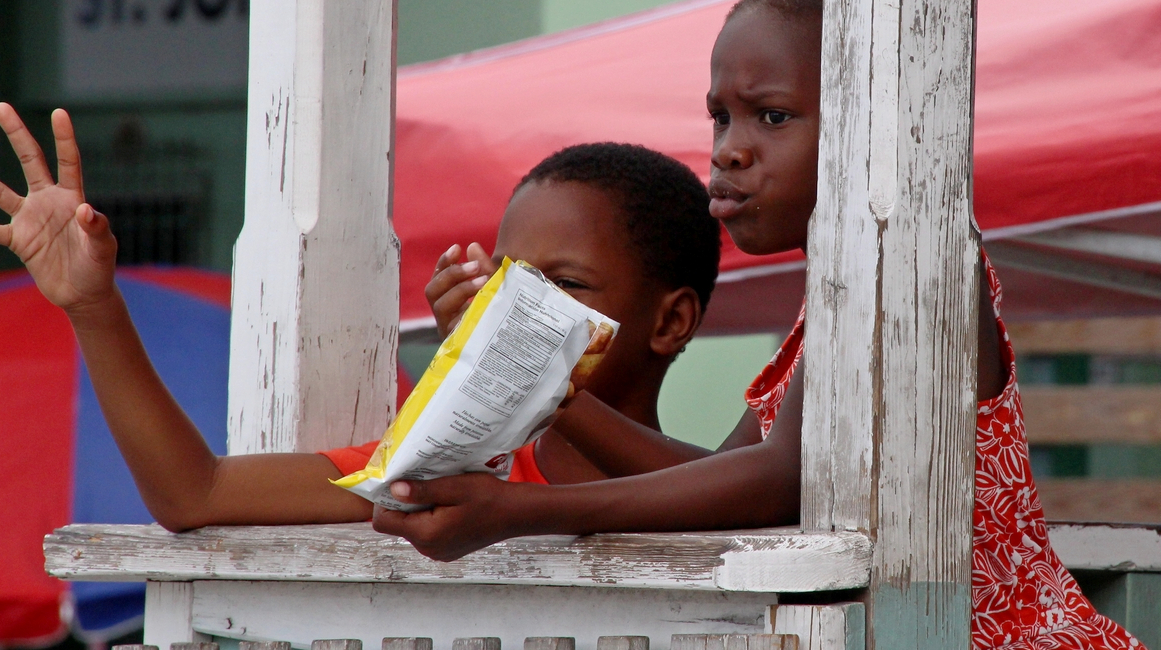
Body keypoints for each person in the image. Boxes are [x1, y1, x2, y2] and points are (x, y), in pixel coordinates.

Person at [369, 1, 1143, 648]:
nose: (730, 151)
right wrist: (538, 371)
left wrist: (519, 514)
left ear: (869, 120)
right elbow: (702, 482)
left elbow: (777, 484)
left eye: (772, 117)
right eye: (720, 118)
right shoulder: (826, 306)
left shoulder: (920, 257)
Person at [0, 109, 721, 529]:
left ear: (670, 321)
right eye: (507, 284)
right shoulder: (450, 471)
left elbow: (723, 500)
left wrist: (545, 380)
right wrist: (95, 306)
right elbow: (194, 496)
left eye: (565, 285)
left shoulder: (728, 484)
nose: (519, 309)